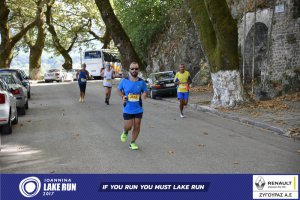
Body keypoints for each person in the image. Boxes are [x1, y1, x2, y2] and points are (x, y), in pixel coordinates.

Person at [117, 62, 148, 150]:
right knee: (128, 126)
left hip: (138, 108)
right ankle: (125, 131)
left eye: (136, 69)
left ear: (138, 70)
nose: (134, 70)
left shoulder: (141, 82)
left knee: (137, 126)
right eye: (132, 69)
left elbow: (145, 91)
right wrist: (123, 96)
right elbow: (118, 90)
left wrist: (144, 94)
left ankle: (132, 142)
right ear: (129, 70)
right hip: (127, 108)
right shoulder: (124, 80)